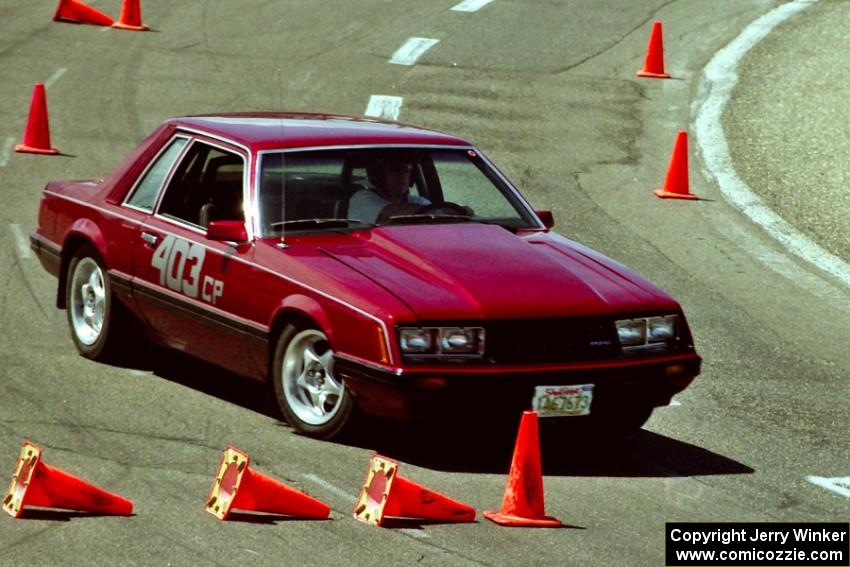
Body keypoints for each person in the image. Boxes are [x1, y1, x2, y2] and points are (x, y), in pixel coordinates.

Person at [347, 153, 430, 224]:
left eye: (406, 171)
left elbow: (435, 211)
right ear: (379, 176)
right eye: (394, 170)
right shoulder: (361, 198)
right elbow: (392, 213)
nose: (402, 176)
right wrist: (432, 211)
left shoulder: (417, 201)